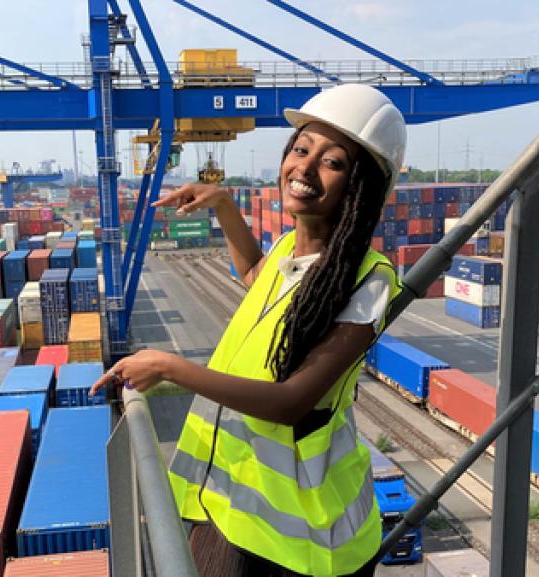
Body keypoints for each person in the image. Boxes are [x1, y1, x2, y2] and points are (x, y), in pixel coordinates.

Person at [90, 84, 407, 577]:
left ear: (361, 186)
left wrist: (170, 366)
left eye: (333, 162)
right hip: (234, 500)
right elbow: (258, 277)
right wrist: (223, 206)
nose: (304, 167)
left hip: (303, 534)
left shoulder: (369, 279)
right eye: (301, 149)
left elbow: (290, 402)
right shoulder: (287, 249)